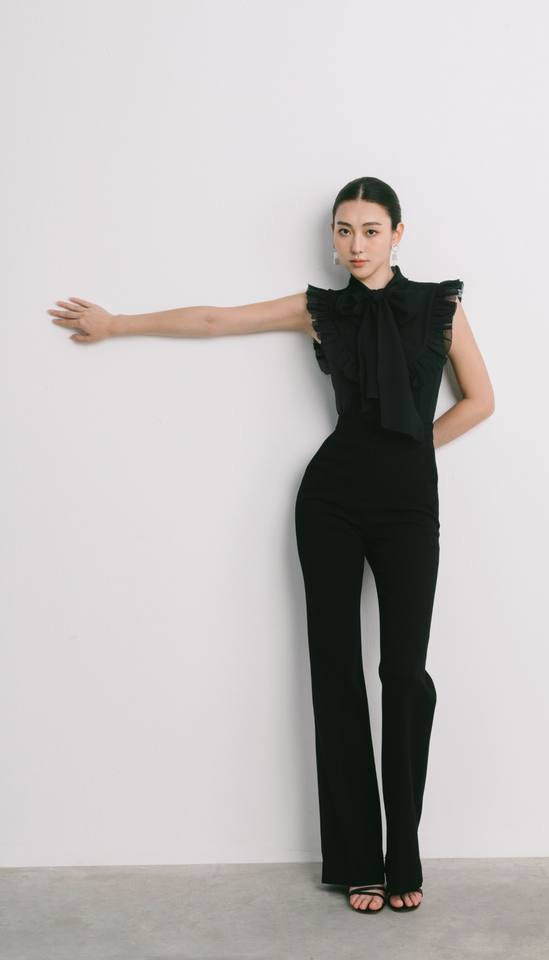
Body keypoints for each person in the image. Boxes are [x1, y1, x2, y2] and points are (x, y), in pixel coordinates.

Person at [47, 176, 495, 916]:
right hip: (330, 502)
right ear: (333, 238)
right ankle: (358, 860)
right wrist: (117, 322)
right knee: (336, 671)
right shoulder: (320, 309)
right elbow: (217, 320)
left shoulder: (439, 307)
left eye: (370, 230)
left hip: (409, 509)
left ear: (398, 233)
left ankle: (404, 856)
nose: (355, 244)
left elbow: (481, 400)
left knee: (404, 673)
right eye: (343, 230)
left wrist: (415, 448)